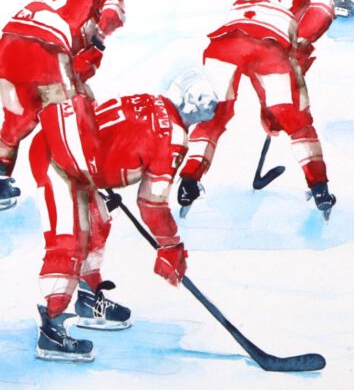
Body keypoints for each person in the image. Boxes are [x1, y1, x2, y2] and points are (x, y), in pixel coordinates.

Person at [28, 70, 218, 362]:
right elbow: (152, 203)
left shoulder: (149, 101)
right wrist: (170, 244)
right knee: (70, 238)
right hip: (58, 163)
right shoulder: (174, 137)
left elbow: (108, 136)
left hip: (68, 158)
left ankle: (88, 299)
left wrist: (101, 177)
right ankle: (51, 330)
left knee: (98, 225)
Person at [176, 0, 336, 217]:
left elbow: (246, 35)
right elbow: (306, 34)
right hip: (270, 49)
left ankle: (189, 180)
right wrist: (275, 111)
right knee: (296, 121)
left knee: (212, 116)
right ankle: (319, 188)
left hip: (222, 45)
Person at [0, 0, 124, 212]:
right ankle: (91, 183)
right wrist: (98, 46)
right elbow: (112, 15)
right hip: (47, 47)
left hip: (9, 41)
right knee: (72, 110)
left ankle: (0, 178)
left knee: (18, 118)